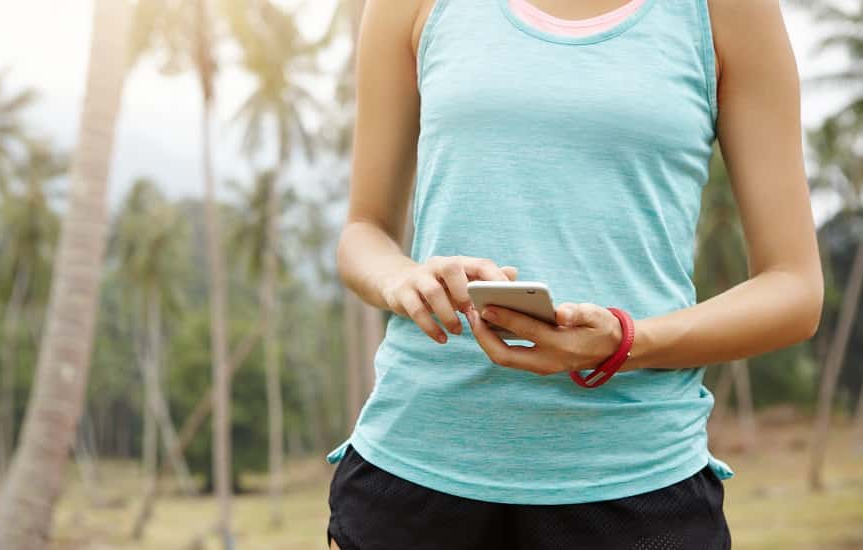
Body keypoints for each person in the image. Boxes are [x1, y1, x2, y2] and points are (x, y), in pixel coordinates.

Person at [327, 0, 823, 548]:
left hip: (639, 488)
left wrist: (628, 342)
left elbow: (794, 288)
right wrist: (401, 278)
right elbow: (363, 231)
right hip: (412, 478)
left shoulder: (729, 11)